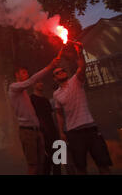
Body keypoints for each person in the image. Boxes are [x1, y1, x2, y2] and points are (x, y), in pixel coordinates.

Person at [53, 42, 112, 175]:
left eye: (62, 70)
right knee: (81, 167)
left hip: (90, 128)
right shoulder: (56, 94)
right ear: (55, 78)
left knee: (103, 165)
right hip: (74, 133)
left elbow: (82, 67)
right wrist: (62, 132)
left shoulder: (76, 81)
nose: (61, 72)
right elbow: (59, 114)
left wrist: (79, 52)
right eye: (57, 73)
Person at [8, 56, 60, 175]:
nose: (27, 74)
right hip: (27, 132)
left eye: (27, 72)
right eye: (24, 72)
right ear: (17, 75)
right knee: (33, 166)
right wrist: (50, 66)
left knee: (42, 163)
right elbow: (31, 81)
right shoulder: (13, 87)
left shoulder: (24, 92)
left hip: (36, 131)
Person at [30, 82, 61, 175]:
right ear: (33, 84)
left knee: (58, 161)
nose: (41, 84)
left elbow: (51, 116)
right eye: (38, 82)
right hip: (42, 134)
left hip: (53, 133)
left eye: (41, 82)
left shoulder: (46, 100)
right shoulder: (31, 99)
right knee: (45, 164)